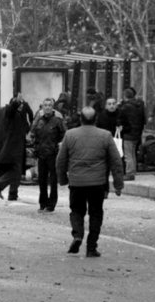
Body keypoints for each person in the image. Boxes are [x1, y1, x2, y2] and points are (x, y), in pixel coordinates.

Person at [56, 106, 124, 257]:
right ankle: (91, 247)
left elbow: (60, 160)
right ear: (96, 119)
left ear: (80, 119)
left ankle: (78, 234)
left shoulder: (70, 135)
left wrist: (62, 179)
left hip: (77, 182)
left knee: (76, 210)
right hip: (97, 182)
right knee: (96, 213)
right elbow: (116, 162)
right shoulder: (105, 135)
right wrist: (118, 185)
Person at [0, 94, 31, 201]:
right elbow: (11, 109)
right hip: (13, 148)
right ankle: (0, 186)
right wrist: (17, 102)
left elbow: (26, 126)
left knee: (16, 171)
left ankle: (11, 193)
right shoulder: (10, 113)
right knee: (15, 171)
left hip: (17, 147)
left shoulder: (19, 114)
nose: (21, 105)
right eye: (20, 104)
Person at [29, 97, 66, 212]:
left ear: (52, 107)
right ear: (42, 107)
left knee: (53, 180)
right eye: (45, 105)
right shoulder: (39, 120)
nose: (48, 107)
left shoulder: (57, 121)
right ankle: (42, 203)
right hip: (41, 154)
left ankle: (51, 204)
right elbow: (33, 134)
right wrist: (34, 146)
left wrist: (60, 144)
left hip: (53, 154)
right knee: (42, 180)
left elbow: (64, 135)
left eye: (50, 105)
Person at [118, 87, 146, 181]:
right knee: (133, 152)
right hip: (137, 132)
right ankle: (133, 170)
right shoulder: (140, 105)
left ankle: (129, 172)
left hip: (128, 132)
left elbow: (120, 117)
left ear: (125, 95)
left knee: (128, 154)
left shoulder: (126, 107)